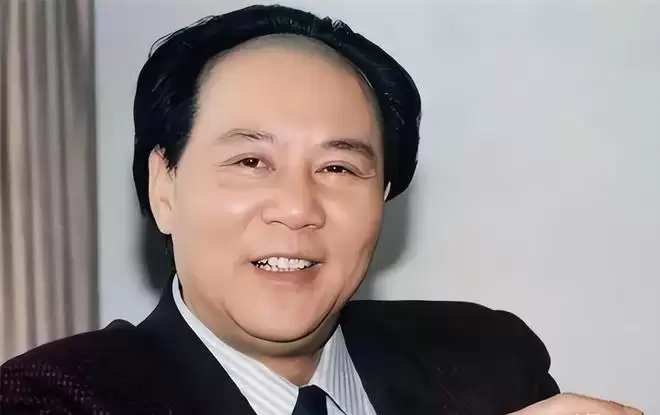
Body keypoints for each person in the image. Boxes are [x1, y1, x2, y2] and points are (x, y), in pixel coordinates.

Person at [0, 5, 641, 415]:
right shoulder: (53, 397)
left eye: (338, 168)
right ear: (163, 187)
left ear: (384, 196)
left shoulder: (485, 358)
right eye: (251, 161)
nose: (297, 208)